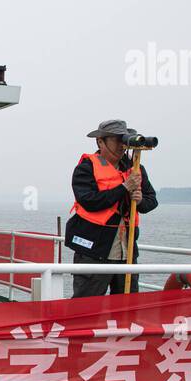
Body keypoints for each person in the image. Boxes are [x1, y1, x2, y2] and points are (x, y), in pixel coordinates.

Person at [65, 119, 158, 297]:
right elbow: (89, 201)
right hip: (94, 251)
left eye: (123, 140)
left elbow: (151, 200)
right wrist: (124, 188)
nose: (122, 145)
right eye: (116, 140)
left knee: (126, 308)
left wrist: (139, 202)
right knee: (87, 305)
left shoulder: (136, 168)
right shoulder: (86, 168)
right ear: (101, 141)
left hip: (127, 252)